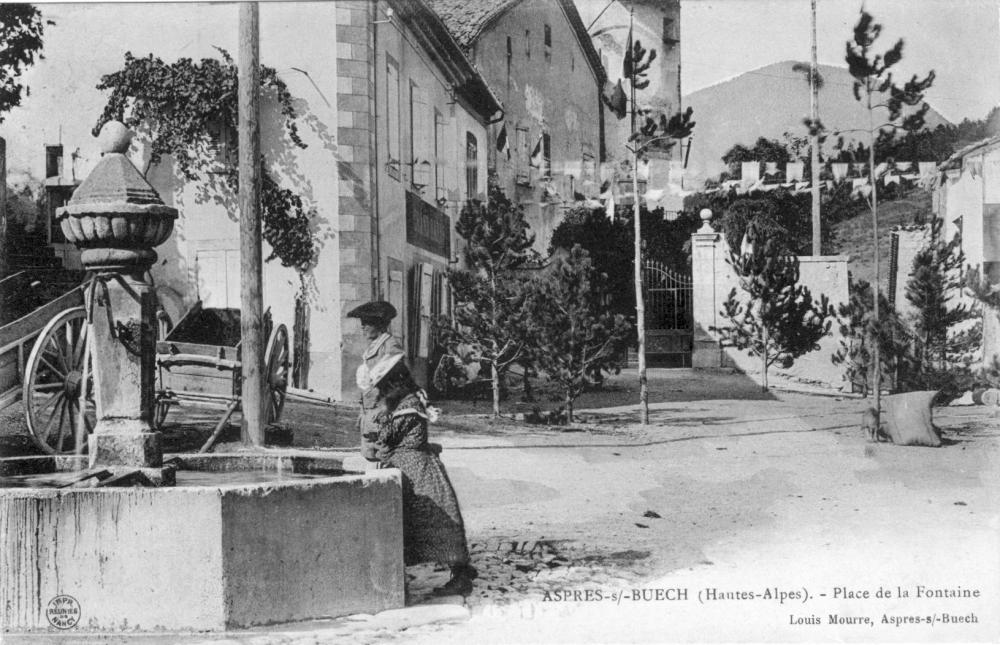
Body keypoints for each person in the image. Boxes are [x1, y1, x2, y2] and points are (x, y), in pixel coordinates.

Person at [364, 352, 477, 597]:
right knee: (414, 524)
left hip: (418, 470)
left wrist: (373, 427)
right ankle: (404, 577)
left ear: (395, 383)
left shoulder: (409, 406)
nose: (382, 393)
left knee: (437, 522)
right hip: (409, 469)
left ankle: (460, 575)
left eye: (385, 387)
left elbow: (386, 436)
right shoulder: (405, 402)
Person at [347, 300, 403, 461]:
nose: (362, 327)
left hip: (382, 415)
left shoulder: (390, 347)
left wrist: (383, 413)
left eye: (367, 323)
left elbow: (395, 386)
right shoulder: (375, 347)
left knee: (383, 458)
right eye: (362, 323)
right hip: (371, 414)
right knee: (371, 456)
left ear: (379, 325)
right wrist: (362, 411)